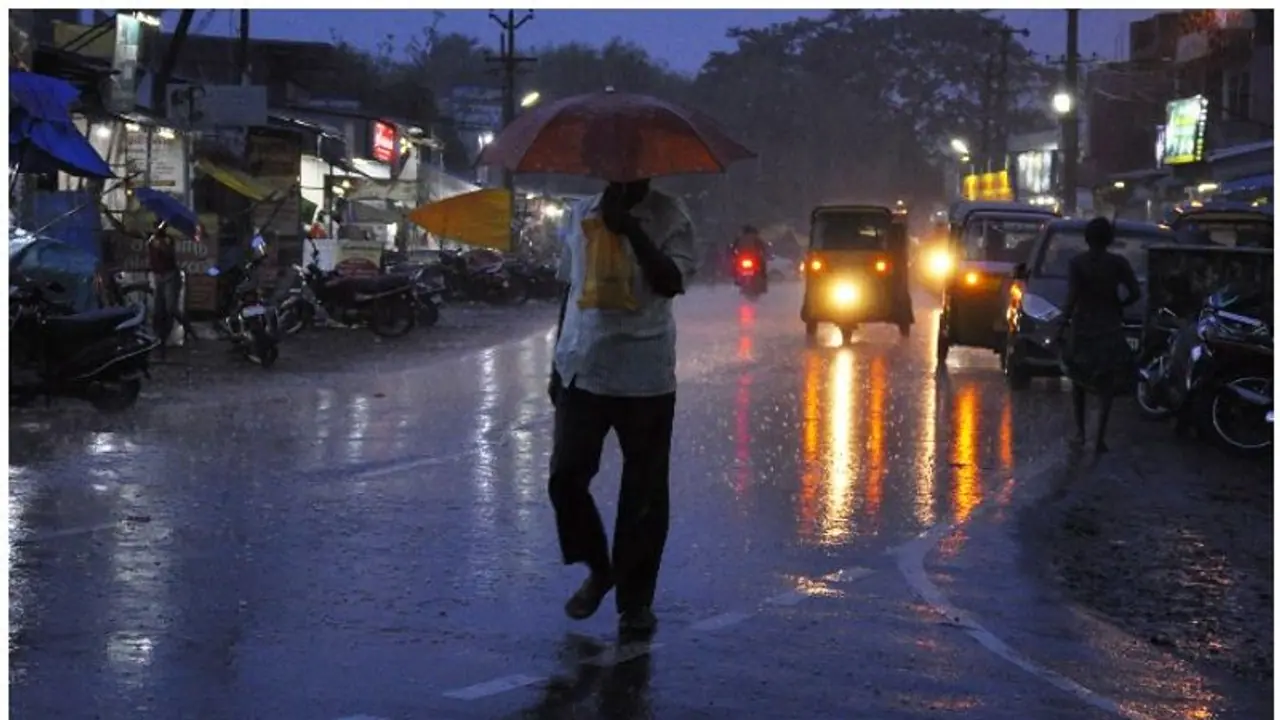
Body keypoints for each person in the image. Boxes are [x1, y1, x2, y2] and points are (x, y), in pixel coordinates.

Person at [547, 177, 696, 638]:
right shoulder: (581, 211)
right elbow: (569, 291)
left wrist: (631, 229)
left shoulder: (673, 216)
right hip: (583, 366)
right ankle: (598, 565)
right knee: (566, 478)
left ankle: (636, 602)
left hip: (645, 374)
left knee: (644, 495)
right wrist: (557, 363)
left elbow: (671, 281)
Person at [1058, 217, 1141, 453]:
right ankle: (1100, 438)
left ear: (1087, 238)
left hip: (1082, 327)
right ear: (1109, 238)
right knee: (1106, 384)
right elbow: (1135, 292)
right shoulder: (1118, 263)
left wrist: (1062, 325)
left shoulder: (1077, 263)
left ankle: (1081, 433)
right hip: (1109, 326)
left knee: (1078, 380)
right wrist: (1119, 304)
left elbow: (1071, 298)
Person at [148, 222, 197, 357]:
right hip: (158, 277)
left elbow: (169, 254)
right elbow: (128, 232)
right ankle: (161, 341)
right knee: (159, 310)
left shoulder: (168, 240)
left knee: (171, 308)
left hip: (170, 276)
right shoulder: (150, 238)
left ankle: (190, 331)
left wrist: (161, 244)